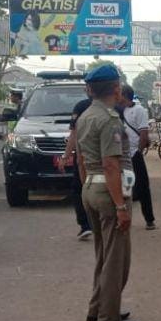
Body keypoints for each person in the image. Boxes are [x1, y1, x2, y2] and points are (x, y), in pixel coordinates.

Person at [76, 65, 139, 321]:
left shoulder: (85, 116)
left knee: (103, 255)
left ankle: (97, 308)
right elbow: (111, 165)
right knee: (116, 260)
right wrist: (121, 206)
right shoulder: (109, 119)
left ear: (90, 89)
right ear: (116, 88)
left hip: (90, 187)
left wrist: (88, 187)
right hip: (109, 192)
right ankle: (108, 318)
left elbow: (81, 159)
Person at [120, 85, 157, 231]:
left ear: (125, 95)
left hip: (134, 153)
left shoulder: (139, 110)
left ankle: (149, 220)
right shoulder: (120, 109)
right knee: (125, 187)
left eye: (119, 94)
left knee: (142, 187)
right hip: (123, 155)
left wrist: (139, 152)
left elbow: (143, 132)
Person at [59, 92, 94, 241]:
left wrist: (65, 156)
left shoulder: (81, 107)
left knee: (80, 189)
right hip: (110, 158)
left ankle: (86, 225)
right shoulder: (114, 107)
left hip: (85, 157)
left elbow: (74, 134)